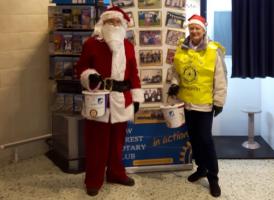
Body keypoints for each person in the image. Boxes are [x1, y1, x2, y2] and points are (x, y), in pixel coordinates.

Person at [75, 6, 144, 196]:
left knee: (117, 143)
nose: (114, 25)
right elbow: (80, 68)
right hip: (98, 100)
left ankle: (115, 173)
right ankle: (94, 179)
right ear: (103, 23)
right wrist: (90, 77)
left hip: (122, 100)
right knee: (97, 144)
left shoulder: (129, 46)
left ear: (122, 25)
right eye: (110, 21)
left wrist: (137, 97)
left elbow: (134, 74)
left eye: (117, 22)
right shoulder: (91, 44)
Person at [168, 14, 227, 197]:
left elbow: (220, 78)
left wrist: (219, 102)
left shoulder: (213, 50)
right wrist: (174, 83)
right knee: (193, 138)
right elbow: (176, 71)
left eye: (197, 28)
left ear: (203, 30)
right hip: (187, 103)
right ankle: (201, 168)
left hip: (205, 104)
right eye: (192, 28)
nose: (194, 31)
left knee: (205, 140)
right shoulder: (182, 48)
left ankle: (213, 177)